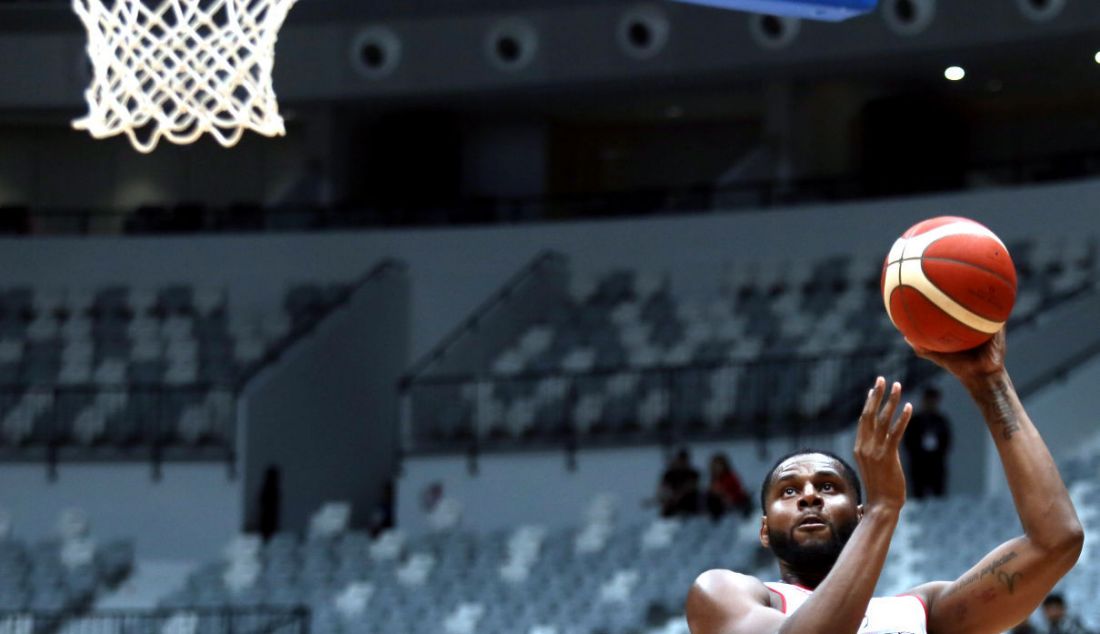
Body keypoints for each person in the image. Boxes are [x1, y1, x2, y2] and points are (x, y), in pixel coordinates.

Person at [686, 330, 1084, 634]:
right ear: (764, 530)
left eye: (828, 486)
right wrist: (882, 509)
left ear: (857, 518)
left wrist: (989, 383)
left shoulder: (924, 613)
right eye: (789, 491)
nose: (809, 496)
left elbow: (1056, 541)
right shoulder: (722, 593)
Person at [904, 386, 953, 498]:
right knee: (918, 495)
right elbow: (908, 441)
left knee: (938, 496)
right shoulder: (915, 421)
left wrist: (938, 452)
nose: (931, 403)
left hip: (936, 464)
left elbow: (946, 441)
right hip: (918, 464)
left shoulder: (940, 421)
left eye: (933, 401)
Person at [706, 452, 751, 520]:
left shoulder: (731, 477)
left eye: (719, 465)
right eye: (715, 466)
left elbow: (737, 492)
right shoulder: (714, 479)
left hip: (734, 503)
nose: (717, 468)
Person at [657, 448, 701, 517]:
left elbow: (692, 487)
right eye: (680, 460)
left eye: (684, 460)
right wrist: (664, 498)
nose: (682, 463)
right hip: (672, 501)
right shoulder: (669, 474)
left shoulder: (693, 473)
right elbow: (662, 488)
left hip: (689, 500)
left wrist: (679, 495)